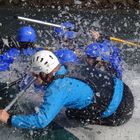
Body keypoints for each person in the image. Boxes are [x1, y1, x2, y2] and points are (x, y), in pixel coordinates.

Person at [0, 50, 134, 129]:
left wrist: (9, 119)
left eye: (35, 75)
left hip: (120, 114)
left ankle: (95, 122)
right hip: (126, 92)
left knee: (70, 113)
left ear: (44, 73)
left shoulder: (57, 89)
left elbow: (41, 122)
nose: (34, 78)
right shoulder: (67, 66)